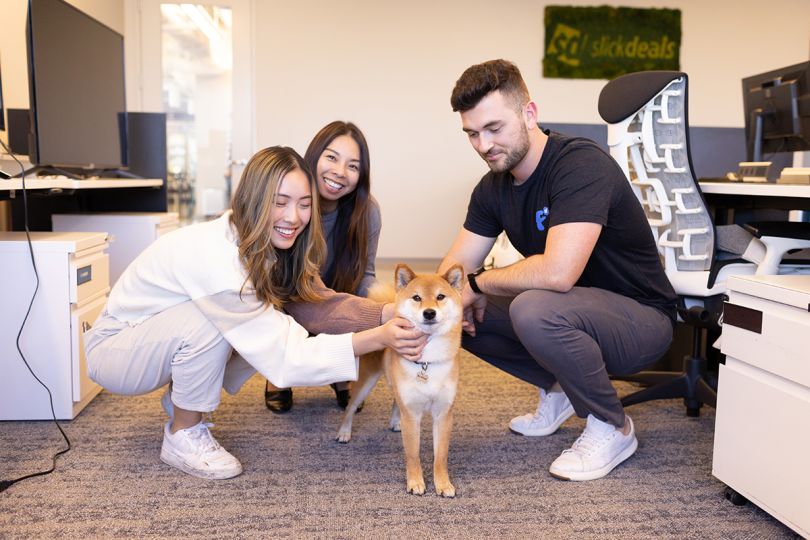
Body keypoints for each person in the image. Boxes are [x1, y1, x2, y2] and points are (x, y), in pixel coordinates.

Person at [84, 146, 426, 480]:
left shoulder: (269, 246)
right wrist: (377, 338)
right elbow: (285, 354)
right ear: (252, 199)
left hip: (153, 339)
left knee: (264, 316)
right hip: (117, 351)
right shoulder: (217, 260)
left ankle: (182, 400)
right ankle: (182, 433)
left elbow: (318, 303)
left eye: (305, 205)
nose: (294, 218)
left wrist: (387, 313)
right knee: (219, 321)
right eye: (280, 203)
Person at [438, 59, 677, 481]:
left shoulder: (579, 165)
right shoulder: (492, 189)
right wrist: (454, 293)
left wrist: (477, 282)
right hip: (573, 314)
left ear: (529, 113)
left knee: (534, 308)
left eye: (494, 128)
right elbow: (452, 272)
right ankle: (558, 388)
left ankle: (613, 425)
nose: (483, 144)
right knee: (449, 308)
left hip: (641, 320)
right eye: (472, 133)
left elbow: (557, 275)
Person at [264, 121, 382, 413]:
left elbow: (365, 274)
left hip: (336, 295)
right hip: (289, 295)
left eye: (353, 166)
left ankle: (340, 372)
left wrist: (385, 303)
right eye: (331, 157)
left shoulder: (367, 212)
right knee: (278, 288)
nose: (340, 172)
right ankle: (278, 377)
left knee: (363, 298)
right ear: (313, 157)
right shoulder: (291, 206)